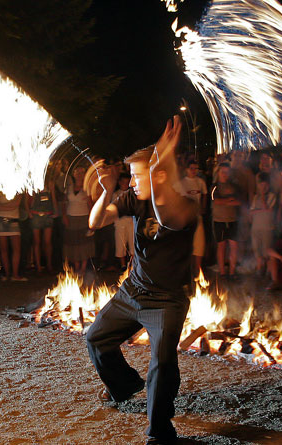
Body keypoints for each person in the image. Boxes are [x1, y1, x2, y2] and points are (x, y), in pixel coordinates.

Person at [86, 115, 198, 445]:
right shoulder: (134, 198)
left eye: (137, 175)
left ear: (159, 174)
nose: (132, 182)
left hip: (167, 300)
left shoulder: (186, 206)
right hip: (133, 290)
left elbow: (165, 217)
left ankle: (160, 433)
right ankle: (124, 386)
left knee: (163, 363)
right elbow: (95, 222)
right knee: (96, 339)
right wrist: (107, 192)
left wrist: (159, 164)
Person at [62, 165, 95, 274]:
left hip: (83, 218)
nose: (79, 174)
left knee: (84, 243)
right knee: (73, 243)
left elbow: (91, 205)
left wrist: (92, 220)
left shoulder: (87, 188)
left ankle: (83, 267)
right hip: (71, 218)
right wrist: (64, 216)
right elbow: (64, 203)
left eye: (82, 172)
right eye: (77, 172)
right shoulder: (69, 188)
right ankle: (76, 266)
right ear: (74, 174)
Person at [211, 162, 241, 278]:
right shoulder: (215, 186)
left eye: (227, 172)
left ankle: (232, 272)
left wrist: (225, 201)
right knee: (221, 246)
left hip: (233, 220)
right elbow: (216, 201)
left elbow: (239, 201)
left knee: (234, 246)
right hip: (219, 220)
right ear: (218, 172)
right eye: (223, 172)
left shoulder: (234, 186)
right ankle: (223, 272)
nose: (225, 174)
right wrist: (229, 200)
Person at [0, 193, 26, 281]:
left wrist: (3, 206)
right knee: (3, 249)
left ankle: (14, 274)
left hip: (13, 221)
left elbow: (16, 204)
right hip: (1, 221)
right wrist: (10, 206)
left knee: (16, 249)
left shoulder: (18, 189)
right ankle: (7, 274)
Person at [180, 160, 207, 271]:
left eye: (196, 168)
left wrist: (203, 208)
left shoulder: (200, 182)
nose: (194, 171)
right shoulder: (182, 183)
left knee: (199, 242)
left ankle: (198, 269)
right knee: (187, 243)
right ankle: (186, 268)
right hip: (186, 218)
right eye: (191, 168)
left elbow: (205, 194)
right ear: (186, 169)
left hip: (197, 216)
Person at [250, 173, 276, 276]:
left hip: (267, 228)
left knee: (266, 251)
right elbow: (251, 212)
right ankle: (259, 271)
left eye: (265, 186)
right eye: (261, 185)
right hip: (255, 227)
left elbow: (267, 209)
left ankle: (268, 272)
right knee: (257, 250)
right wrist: (260, 210)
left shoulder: (272, 196)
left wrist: (262, 198)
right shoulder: (255, 197)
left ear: (268, 186)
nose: (263, 188)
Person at [29, 180, 58, 273]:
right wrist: (29, 212)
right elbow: (28, 200)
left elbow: (53, 199)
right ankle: (38, 266)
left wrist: (55, 211)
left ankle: (48, 265)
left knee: (47, 242)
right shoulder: (33, 183)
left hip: (48, 215)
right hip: (36, 215)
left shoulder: (50, 185)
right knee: (37, 241)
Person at [112, 173, 134, 272]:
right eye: (123, 182)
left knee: (132, 243)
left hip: (130, 222)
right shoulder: (116, 194)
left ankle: (133, 264)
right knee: (120, 244)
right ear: (120, 183)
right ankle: (123, 265)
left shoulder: (132, 194)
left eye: (126, 182)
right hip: (120, 222)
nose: (125, 184)